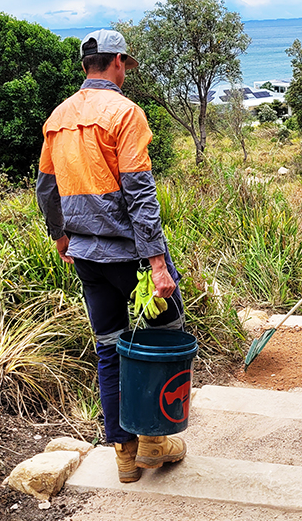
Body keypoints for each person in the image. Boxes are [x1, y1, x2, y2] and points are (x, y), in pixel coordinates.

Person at [36, 29, 186, 483]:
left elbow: (47, 188)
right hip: (133, 258)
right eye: (125, 64)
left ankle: (124, 453)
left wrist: (60, 236)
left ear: (86, 65)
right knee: (162, 340)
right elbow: (140, 194)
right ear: (117, 62)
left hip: (86, 257)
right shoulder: (125, 112)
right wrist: (158, 264)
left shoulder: (57, 117)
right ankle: (155, 444)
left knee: (108, 348)